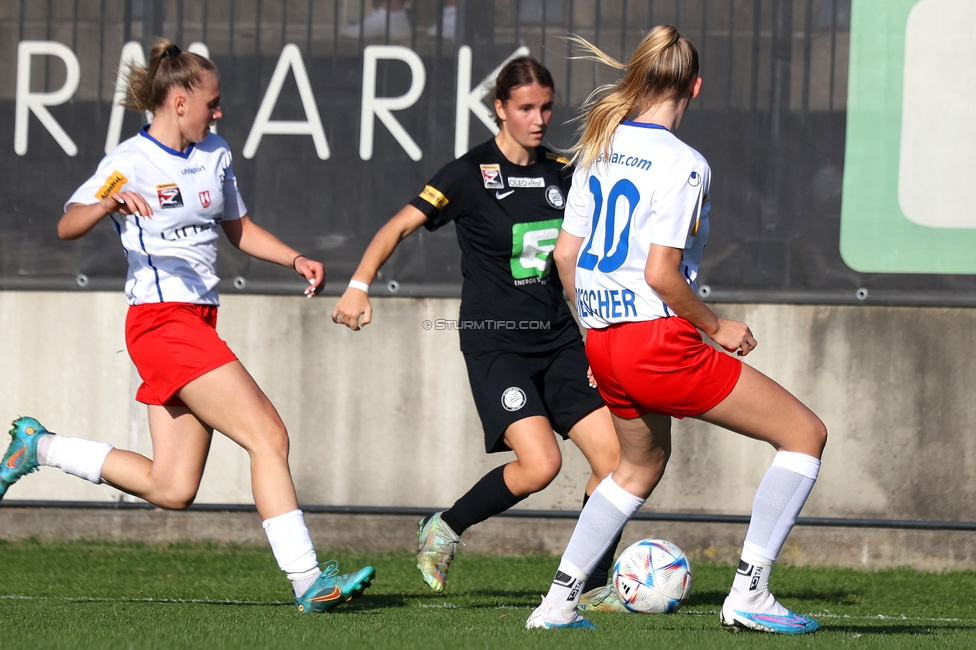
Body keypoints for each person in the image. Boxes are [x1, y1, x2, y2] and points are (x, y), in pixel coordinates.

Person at [0, 39, 374, 614]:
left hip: (196, 322)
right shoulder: (129, 162)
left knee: (172, 488)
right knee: (268, 436)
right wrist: (107, 202)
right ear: (179, 102)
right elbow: (67, 225)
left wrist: (294, 257)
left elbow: (239, 228)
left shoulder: (214, 153)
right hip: (160, 323)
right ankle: (308, 582)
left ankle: (40, 447)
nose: (218, 112)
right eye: (212, 102)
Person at [525, 26, 828, 633]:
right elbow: (663, 275)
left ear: (640, 79)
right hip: (656, 341)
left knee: (637, 469)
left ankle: (556, 603)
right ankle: (750, 594)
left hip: (606, 340)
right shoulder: (685, 164)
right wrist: (718, 326)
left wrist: (594, 331)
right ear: (695, 85)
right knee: (804, 435)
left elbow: (564, 257)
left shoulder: (598, 146)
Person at [332, 57, 626, 609]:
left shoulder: (564, 171)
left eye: (545, 108)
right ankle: (443, 527)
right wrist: (358, 285)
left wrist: (598, 332)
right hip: (497, 343)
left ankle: (589, 585)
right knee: (541, 465)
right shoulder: (467, 174)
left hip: (561, 340)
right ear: (499, 108)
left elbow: (583, 260)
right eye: (525, 108)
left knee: (614, 463)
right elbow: (398, 225)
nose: (538, 119)